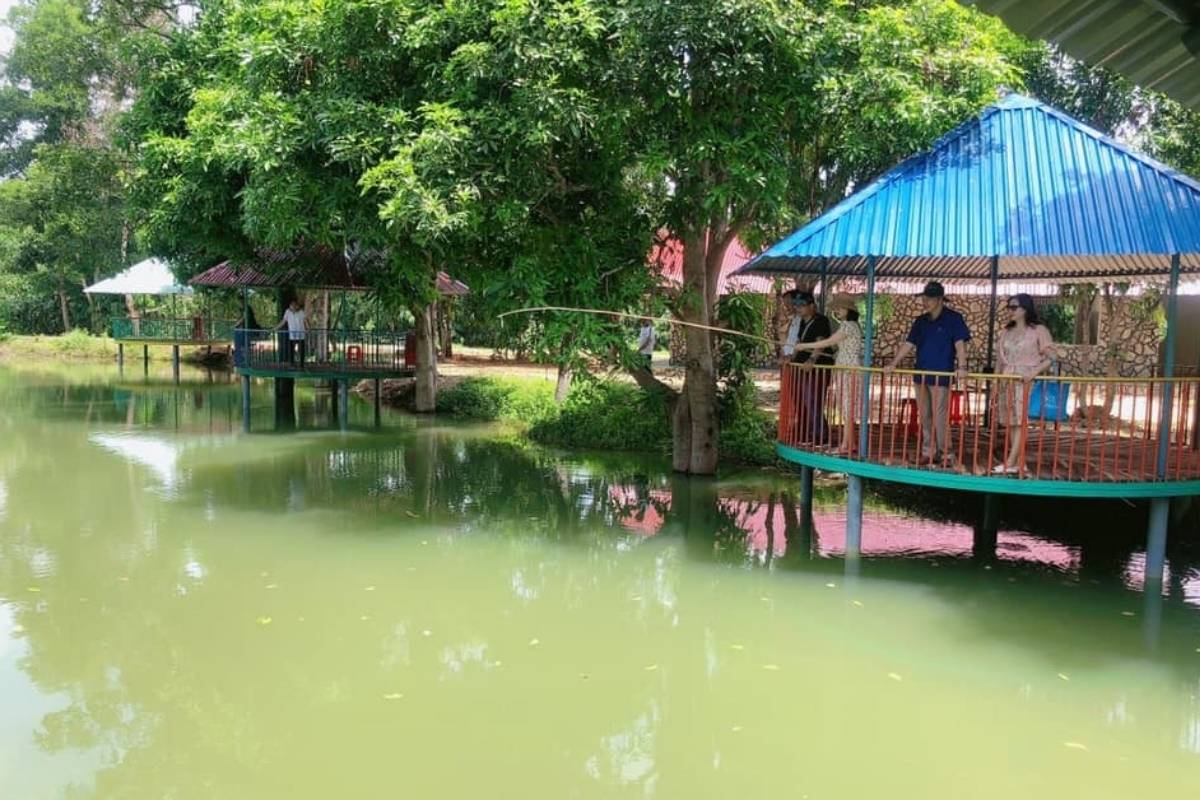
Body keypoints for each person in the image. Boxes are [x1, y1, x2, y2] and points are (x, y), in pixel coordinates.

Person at [884, 281, 971, 466]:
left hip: (942, 374)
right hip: (921, 374)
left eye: (929, 298)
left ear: (940, 299)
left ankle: (946, 454)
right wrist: (893, 363)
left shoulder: (954, 318)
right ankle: (928, 451)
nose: (925, 302)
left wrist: (962, 366)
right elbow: (909, 344)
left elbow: (960, 343)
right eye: (924, 298)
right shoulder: (920, 321)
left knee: (940, 415)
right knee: (924, 415)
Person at [790, 295, 864, 455]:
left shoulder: (848, 326)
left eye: (840, 308)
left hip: (848, 370)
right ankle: (849, 443)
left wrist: (804, 345)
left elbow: (828, 342)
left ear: (848, 310)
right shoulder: (851, 325)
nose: (837, 311)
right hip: (845, 368)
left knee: (847, 407)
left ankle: (846, 445)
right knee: (846, 407)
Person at [993, 293, 1055, 475]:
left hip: (1024, 381)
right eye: (1008, 307)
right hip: (1007, 380)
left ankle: (1010, 462)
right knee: (1012, 422)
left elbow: (1052, 357)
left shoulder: (1038, 330)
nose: (1010, 311)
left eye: (1014, 307)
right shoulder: (1006, 331)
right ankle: (1019, 463)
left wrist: (1033, 372)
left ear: (1025, 309)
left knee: (1020, 421)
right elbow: (999, 361)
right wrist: (996, 382)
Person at [781, 289, 834, 444]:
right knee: (802, 401)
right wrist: (790, 358)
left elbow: (820, 342)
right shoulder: (802, 322)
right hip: (802, 368)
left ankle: (820, 436)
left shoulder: (821, 320)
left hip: (818, 368)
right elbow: (799, 344)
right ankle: (807, 432)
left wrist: (812, 359)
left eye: (802, 305)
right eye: (796, 305)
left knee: (812, 401)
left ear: (812, 306)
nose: (798, 308)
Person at [277, 297, 307, 367]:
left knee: (301, 350)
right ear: (290, 306)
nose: (293, 307)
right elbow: (283, 321)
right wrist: (276, 328)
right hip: (292, 335)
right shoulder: (287, 312)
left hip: (301, 334)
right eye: (292, 305)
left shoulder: (301, 312)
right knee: (291, 350)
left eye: (294, 305)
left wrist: (309, 329)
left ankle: (301, 364)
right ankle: (292, 364)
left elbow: (305, 321)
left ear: (297, 306)